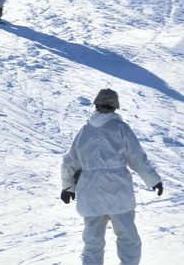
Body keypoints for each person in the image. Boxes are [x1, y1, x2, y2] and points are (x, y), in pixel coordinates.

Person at [61, 89, 164, 265]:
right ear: (115, 107)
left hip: (90, 192)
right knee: (128, 238)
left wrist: (67, 186)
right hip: (118, 191)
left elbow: (70, 160)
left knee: (93, 242)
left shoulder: (85, 131)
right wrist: (153, 179)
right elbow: (137, 157)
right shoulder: (121, 128)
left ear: (96, 105)